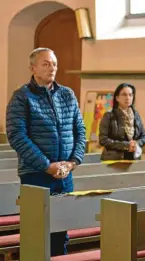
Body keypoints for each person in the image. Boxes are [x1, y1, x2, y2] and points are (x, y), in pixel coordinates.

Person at [6, 47, 86, 256]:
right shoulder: (22, 97)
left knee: (60, 233)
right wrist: (46, 166)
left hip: (64, 175)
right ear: (33, 68)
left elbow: (80, 130)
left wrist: (72, 162)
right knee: (37, 233)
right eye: (46, 63)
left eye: (54, 64)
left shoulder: (67, 94)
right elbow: (17, 137)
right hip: (36, 176)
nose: (52, 68)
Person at [99, 83, 145, 160]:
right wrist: (125, 145)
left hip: (133, 158)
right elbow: (103, 140)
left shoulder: (136, 115)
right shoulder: (109, 115)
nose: (128, 98)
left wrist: (136, 144)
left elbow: (144, 136)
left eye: (130, 95)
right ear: (117, 98)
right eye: (124, 95)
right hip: (113, 159)